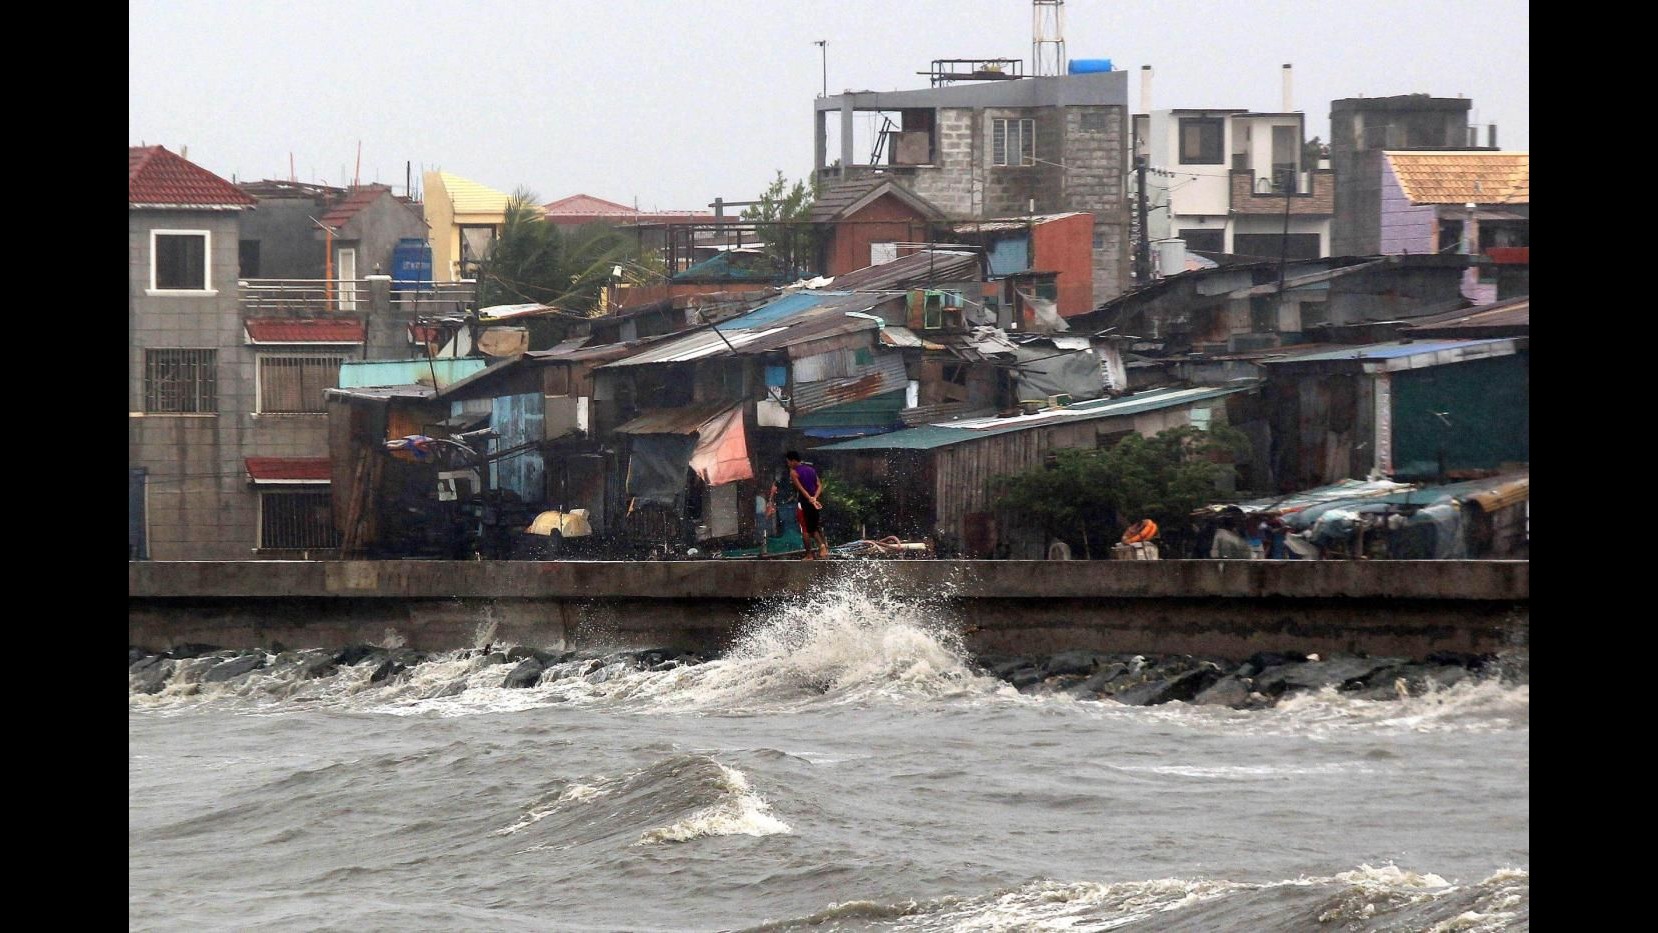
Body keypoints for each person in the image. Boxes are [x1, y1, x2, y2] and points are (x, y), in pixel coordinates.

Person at [785, 450, 829, 559]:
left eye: (789, 462)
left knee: (805, 529)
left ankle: (809, 554)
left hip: (804, 502)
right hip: (813, 502)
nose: (788, 464)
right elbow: (819, 485)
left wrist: (810, 498)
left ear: (793, 461)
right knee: (814, 527)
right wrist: (815, 498)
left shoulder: (794, 472)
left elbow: (800, 488)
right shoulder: (811, 470)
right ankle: (822, 547)